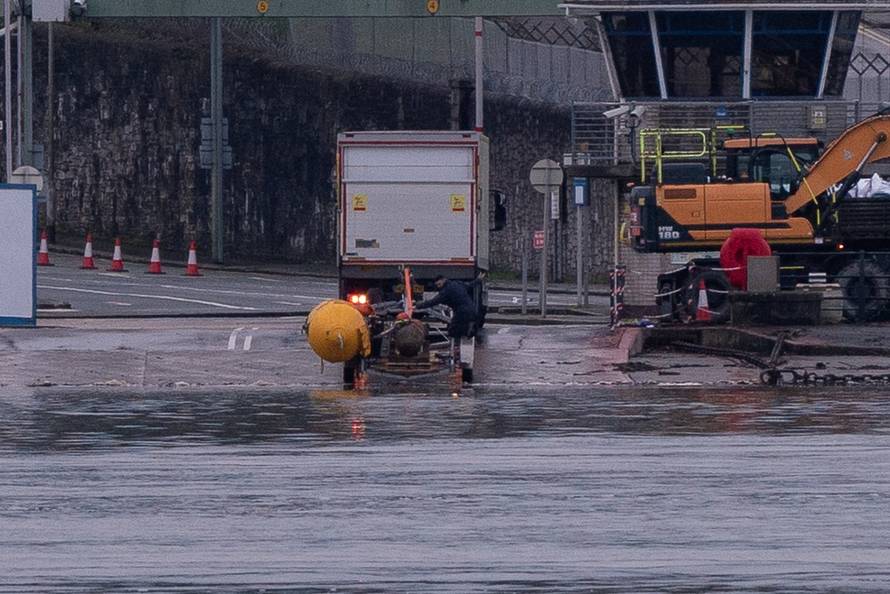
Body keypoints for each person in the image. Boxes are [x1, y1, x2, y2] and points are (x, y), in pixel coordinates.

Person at [415, 272, 486, 338]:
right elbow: (470, 285)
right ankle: (467, 335)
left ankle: (459, 343)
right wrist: (478, 280)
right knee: (461, 330)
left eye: (439, 284)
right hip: (472, 310)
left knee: (453, 331)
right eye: (437, 285)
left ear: (443, 280)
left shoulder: (446, 291)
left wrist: (419, 306)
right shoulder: (457, 283)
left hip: (462, 312)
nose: (439, 287)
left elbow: (433, 302)